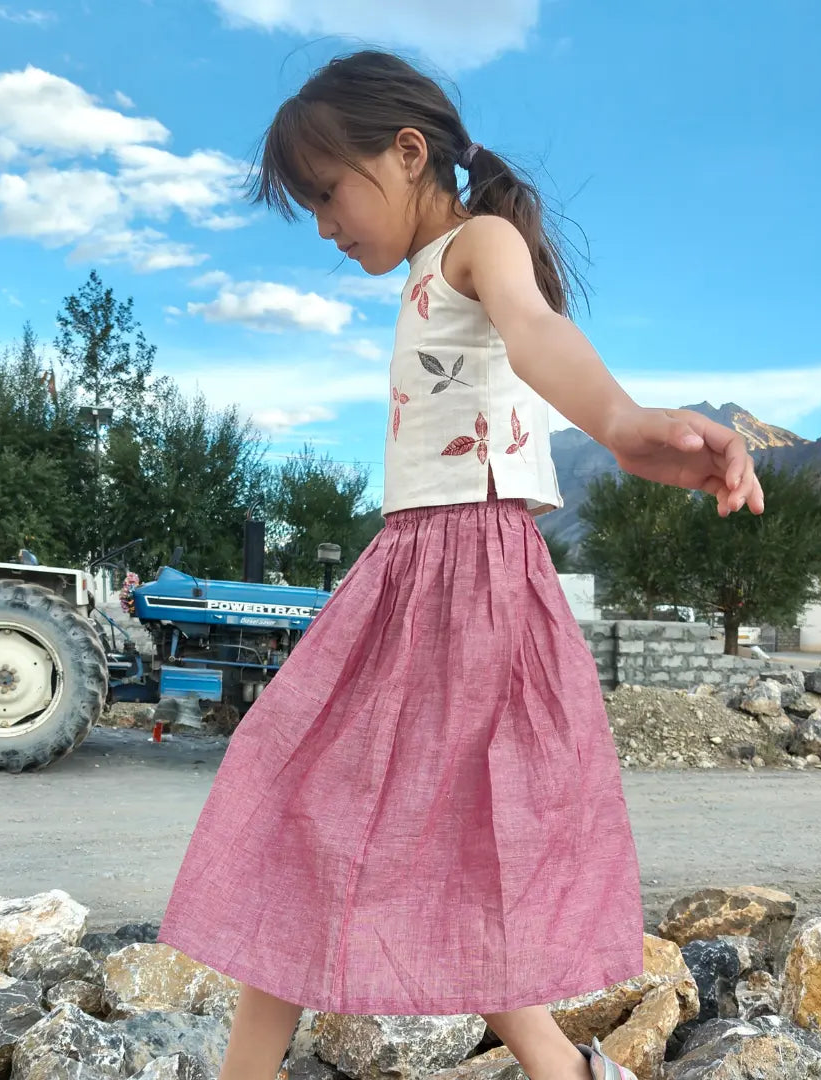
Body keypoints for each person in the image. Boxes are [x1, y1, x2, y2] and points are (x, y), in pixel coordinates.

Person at [155, 49, 764, 1080]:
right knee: (338, 816)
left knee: (328, 810)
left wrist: (618, 423)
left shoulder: (480, 243)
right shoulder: (425, 281)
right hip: (411, 570)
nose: (323, 223)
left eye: (328, 191)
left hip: (465, 577)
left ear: (405, 153)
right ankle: (553, 1069)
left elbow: (536, 335)